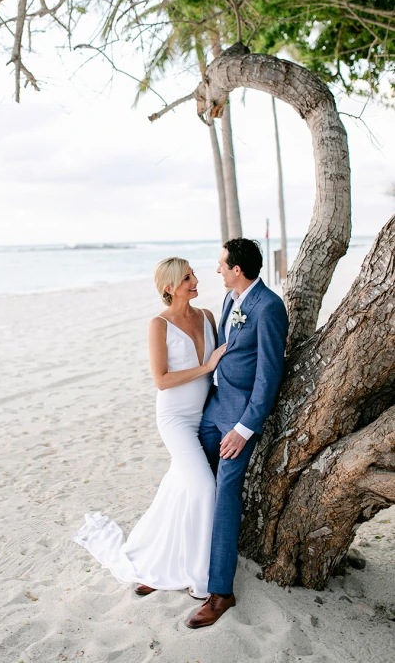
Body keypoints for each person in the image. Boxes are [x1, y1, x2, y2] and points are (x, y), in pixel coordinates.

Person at [73, 257, 226, 598]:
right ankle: (202, 579)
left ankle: (154, 558)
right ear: (169, 287)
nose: (195, 280)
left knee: (179, 487)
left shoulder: (207, 317)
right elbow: (162, 380)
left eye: (194, 274)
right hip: (174, 419)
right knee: (203, 487)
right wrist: (207, 366)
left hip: (205, 414)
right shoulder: (158, 325)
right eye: (187, 277)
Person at [186, 238, 288, 629]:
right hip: (214, 406)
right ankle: (181, 562)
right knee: (191, 476)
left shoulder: (269, 307)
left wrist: (245, 429)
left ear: (237, 270)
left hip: (240, 418)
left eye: (221, 264)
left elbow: (268, 375)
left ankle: (220, 592)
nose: (216, 270)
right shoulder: (232, 299)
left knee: (226, 491)